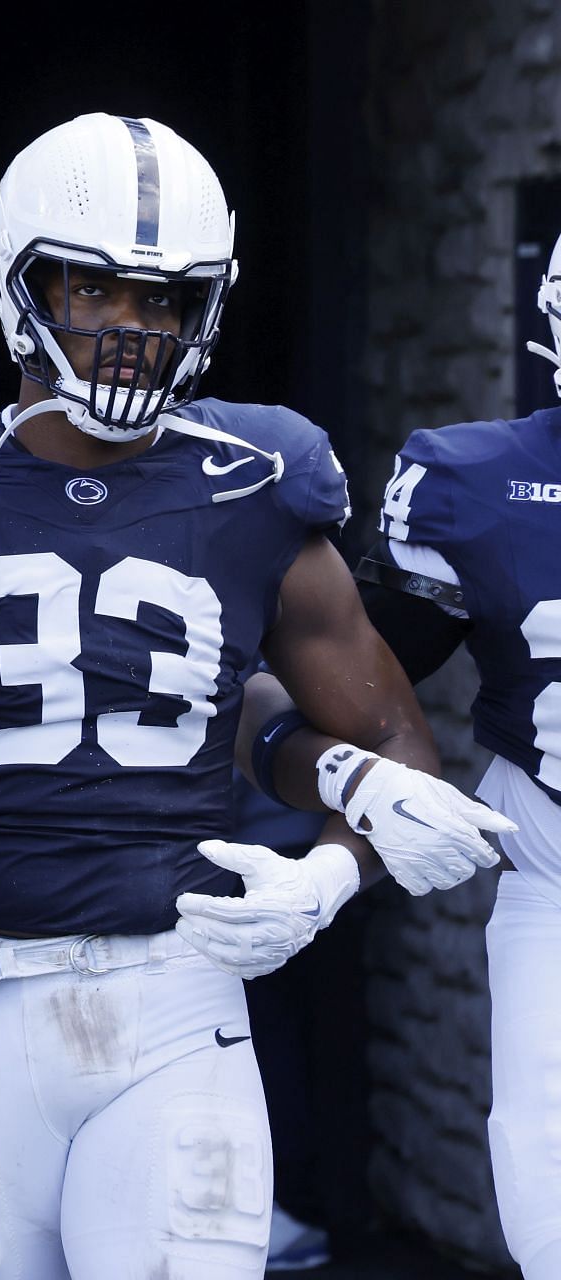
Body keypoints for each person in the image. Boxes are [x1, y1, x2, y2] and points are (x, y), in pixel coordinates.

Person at [0, 113, 504, 1277]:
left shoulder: (258, 484)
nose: (129, 329)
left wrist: (328, 873)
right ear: (17, 277)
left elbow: (398, 751)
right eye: (93, 289)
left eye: (164, 299)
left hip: (177, 987)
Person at [245, 230, 561, 1277]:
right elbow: (359, 690)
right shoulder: (484, 485)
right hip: (558, 876)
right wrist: (288, 748)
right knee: (548, 1198)